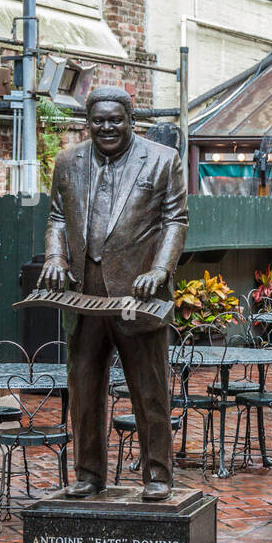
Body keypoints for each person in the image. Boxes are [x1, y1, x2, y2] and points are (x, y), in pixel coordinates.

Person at [38, 86, 189, 501]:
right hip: (83, 301)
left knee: (149, 391)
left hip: (137, 299)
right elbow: (56, 217)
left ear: (130, 120)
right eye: (98, 120)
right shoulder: (68, 162)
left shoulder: (162, 160)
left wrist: (160, 269)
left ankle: (157, 475)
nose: (106, 127)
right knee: (85, 391)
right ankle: (88, 474)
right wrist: (55, 257)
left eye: (115, 119)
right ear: (88, 122)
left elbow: (176, 220)